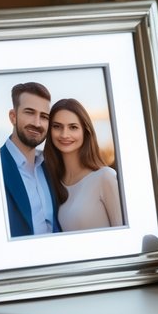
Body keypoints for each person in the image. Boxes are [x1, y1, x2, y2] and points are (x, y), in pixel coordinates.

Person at [44, 98, 124, 231]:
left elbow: (124, 235)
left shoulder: (105, 176)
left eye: (73, 127)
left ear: (85, 131)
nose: (64, 134)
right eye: (57, 126)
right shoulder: (52, 182)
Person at [0, 81, 60, 238]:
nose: (37, 123)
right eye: (29, 112)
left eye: (44, 116)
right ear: (13, 116)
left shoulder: (50, 167)